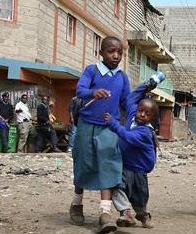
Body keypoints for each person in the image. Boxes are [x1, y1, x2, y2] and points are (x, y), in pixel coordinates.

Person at [69, 36, 131, 233]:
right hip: (86, 126)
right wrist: (93, 93)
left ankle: (105, 213)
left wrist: (135, 119)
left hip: (108, 128)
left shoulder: (122, 77)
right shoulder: (92, 70)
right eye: (111, 51)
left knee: (108, 165)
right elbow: (80, 90)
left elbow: (127, 102)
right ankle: (76, 204)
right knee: (83, 165)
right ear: (101, 53)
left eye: (120, 52)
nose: (116, 55)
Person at [104, 73, 164, 229]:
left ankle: (143, 216)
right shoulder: (132, 115)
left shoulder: (145, 132)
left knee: (139, 198)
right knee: (116, 186)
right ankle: (126, 213)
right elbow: (131, 99)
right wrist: (145, 86)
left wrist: (113, 124)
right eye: (140, 110)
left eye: (147, 114)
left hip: (138, 171)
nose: (142, 114)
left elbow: (128, 136)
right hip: (124, 166)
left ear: (152, 119)